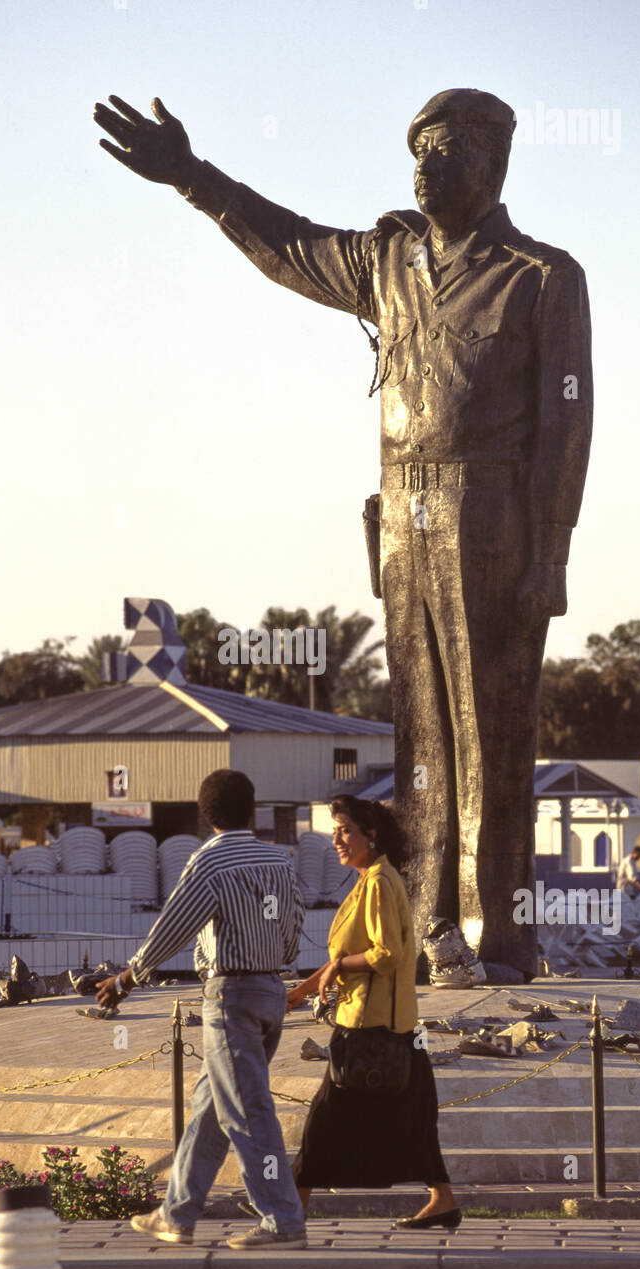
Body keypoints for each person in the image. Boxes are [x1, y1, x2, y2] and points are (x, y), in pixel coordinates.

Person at [92, 88, 593, 978]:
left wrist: (549, 552)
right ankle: (424, 924)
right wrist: (191, 178)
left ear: (493, 162)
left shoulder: (542, 277)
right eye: (417, 153)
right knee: (423, 739)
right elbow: (286, 245)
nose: (422, 167)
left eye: (443, 151)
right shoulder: (387, 261)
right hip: (403, 513)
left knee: (492, 730)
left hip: (494, 515)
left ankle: (495, 934)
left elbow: (568, 424)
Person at [96, 769, 308, 1249]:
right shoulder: (279, 861)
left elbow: (172, 927)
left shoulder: (208, 863)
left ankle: (283, 1220)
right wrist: (274, 962)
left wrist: (127, 978)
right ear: (252, 810)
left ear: (204, 813)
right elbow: (294, 929)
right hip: (271, 991)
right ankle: (177, 1213)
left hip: (230, 998)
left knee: (248, 1112)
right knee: (211, 1108)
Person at [285, 795, 459, 1230]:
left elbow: (386, 954)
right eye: (336, 830)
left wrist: (338, 968)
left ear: (372, 835)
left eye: (345, 830)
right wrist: (300, 992)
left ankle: (291, 1206)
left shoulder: (379, 882)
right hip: (387, 1025)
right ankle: (443, 1200)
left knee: (324, 1117)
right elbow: (345, 957)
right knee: (415, 1117)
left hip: (370, 1026)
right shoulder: (368, 879)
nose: (337, 839)